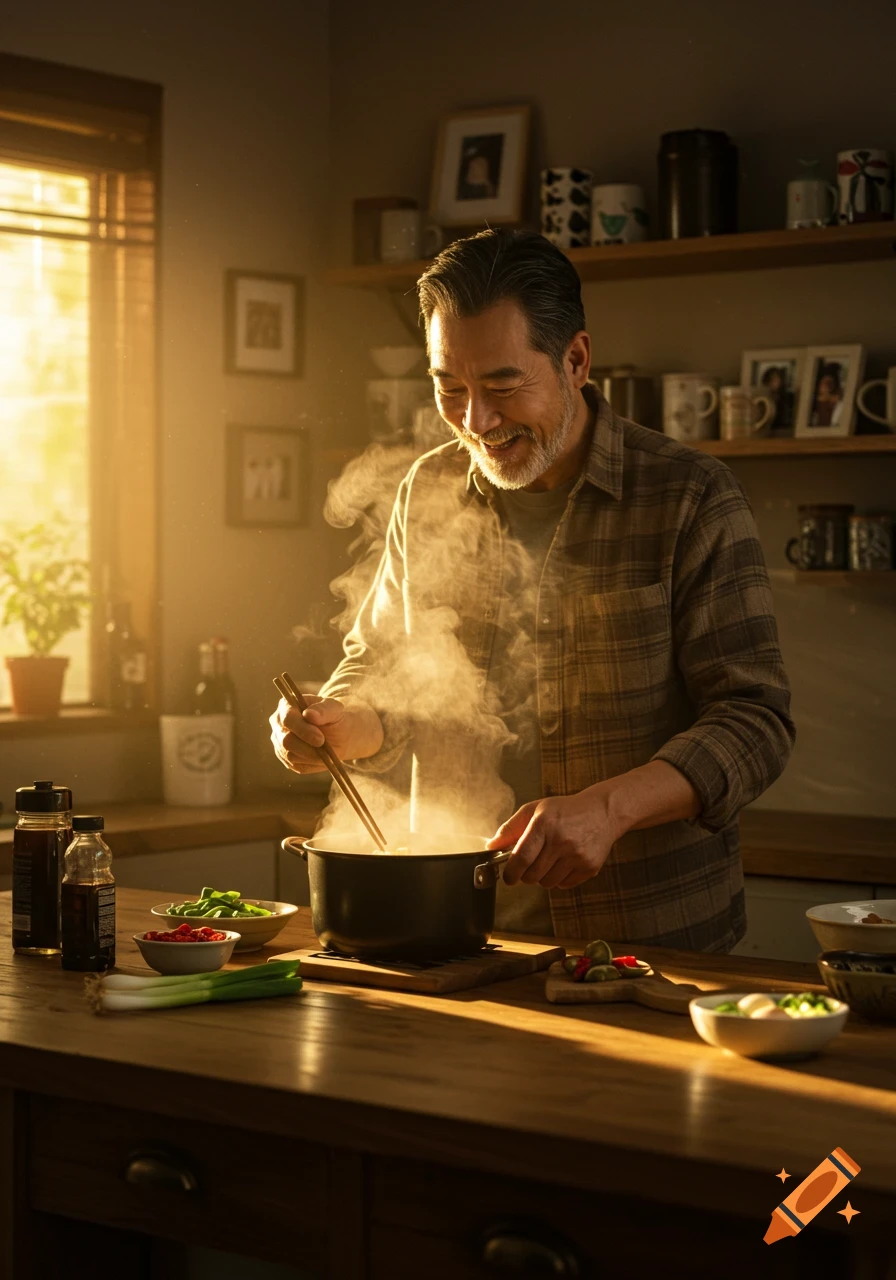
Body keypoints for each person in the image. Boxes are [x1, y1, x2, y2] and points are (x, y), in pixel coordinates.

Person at [270, 229, 795, 951]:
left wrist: (607, 810)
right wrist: (342, 721)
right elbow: (382, 665)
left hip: (646, 940)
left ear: (576, 360)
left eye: (502, 385)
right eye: (449, 388)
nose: (476, 422)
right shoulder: (429, 486)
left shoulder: (689, 496)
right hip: (455, 932)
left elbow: (754, 722)